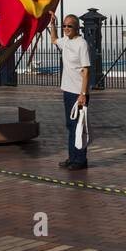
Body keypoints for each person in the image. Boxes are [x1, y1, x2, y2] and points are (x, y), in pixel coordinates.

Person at [49, 12, 89, 170]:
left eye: (69, 26)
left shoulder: (82, 44)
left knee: (78, 126)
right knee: (70, 125)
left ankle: (80, 160)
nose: (66, 28)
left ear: (76, 28)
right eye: (64, 25)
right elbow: (53, 40)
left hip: (78, 93)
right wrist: (53, 24)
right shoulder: (65, 41)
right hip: (67, 91)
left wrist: (83, 94)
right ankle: (72, 157)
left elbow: (86, 70)